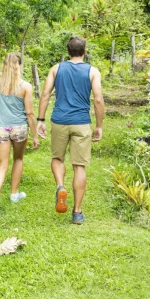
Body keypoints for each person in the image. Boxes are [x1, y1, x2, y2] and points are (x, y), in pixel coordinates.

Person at [36, 36, 104, 225]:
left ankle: (60, 186)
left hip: (59, 120)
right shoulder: (92, 71)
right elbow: (98, 100)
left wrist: (40, 119)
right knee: (79, 166)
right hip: (81, 123)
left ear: (68, 51)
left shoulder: (56, 69)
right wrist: (99, 126)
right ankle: (77, 212)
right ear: (84, 51)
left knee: (57, 158)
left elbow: (45, 94)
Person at [0, 53, 39, 220]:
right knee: (18, 159)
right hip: (19, 129)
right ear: (19, 66)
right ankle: (14, 194)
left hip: (1, 128)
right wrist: (35, 135)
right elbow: (30, 113)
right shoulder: (25, 86)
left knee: (1, 165)